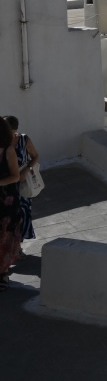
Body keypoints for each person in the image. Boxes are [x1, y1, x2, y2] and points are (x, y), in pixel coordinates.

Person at [5, 116, 38, 246]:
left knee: (22, 214)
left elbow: (35, 156)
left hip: (22, 184)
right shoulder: (3, 143)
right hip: (7, 185)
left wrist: (27, 169)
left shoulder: (24, 139)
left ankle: (18, 246)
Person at [0, 118, 22, 290]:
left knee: (4, 238)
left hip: (6, 201)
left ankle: (3, 274)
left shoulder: (8, 150)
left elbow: (16, 176)